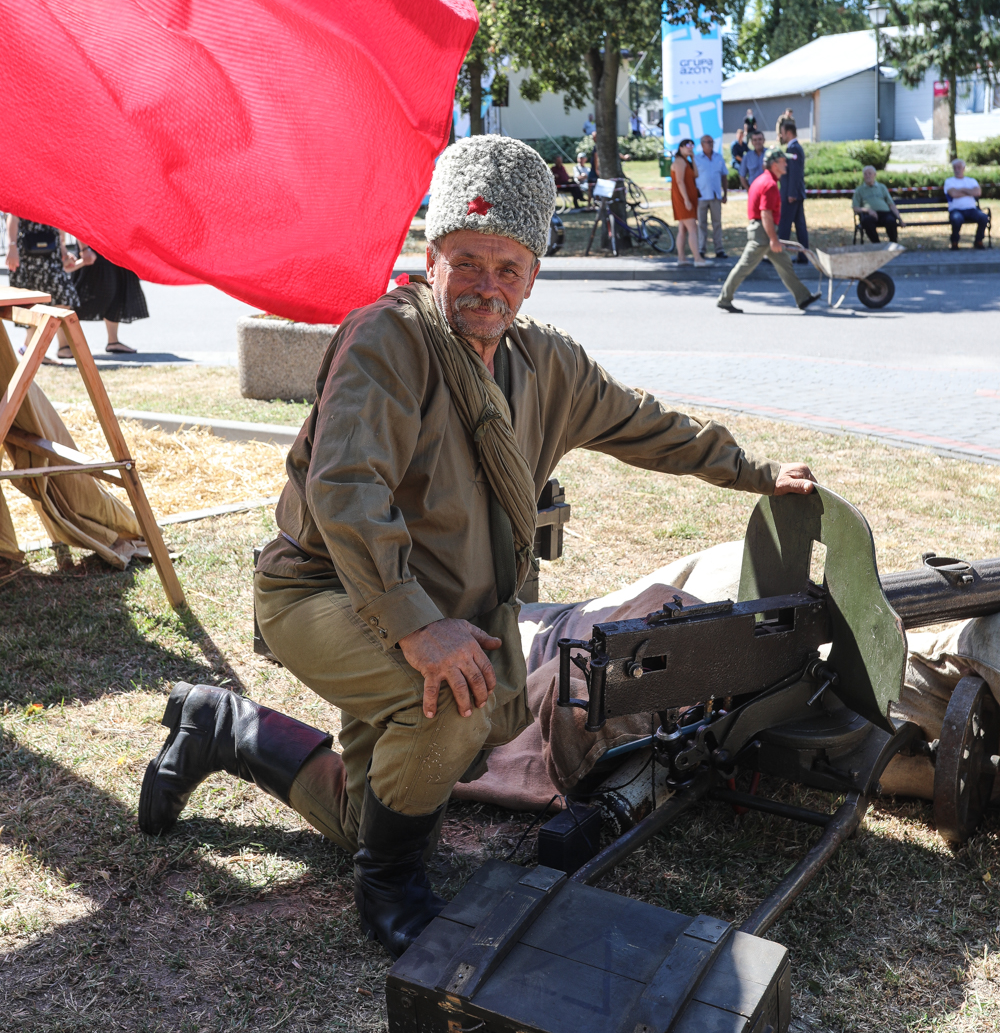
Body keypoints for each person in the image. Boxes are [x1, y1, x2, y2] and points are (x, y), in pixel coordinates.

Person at [137, 136, 817, 959]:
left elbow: (650, 426)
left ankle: (226, 727)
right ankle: (389, 886)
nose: (485, 288)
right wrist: (419, 628)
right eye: (466, 262)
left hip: (436, 609)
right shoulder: (387, 340)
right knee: (452, 707)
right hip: (326, 591)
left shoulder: (549, 366)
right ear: (432, 257)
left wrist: (758, 474)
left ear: (534, 275)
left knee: (375, 805)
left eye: (508, 268)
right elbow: (345, 490)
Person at [717, 148, 820, 313]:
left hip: (762, 229)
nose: (786, 164)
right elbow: (765, 214)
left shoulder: (762, 179)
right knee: (745, 266)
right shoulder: (770, 184)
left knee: (785, 263)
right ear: (774, 164)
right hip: (762, 232)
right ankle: (724, 298)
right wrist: (773, 239)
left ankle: (803, 297)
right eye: (783, 161)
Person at [4, 215, 81, 359]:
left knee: (64, 298)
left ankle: (33, 348)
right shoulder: (23, 193)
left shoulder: (53, 195)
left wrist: (63, 249)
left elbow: (57, 220)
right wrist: (12, 246)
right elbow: (13, 217)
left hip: (51, 251)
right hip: (27, 253)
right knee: (33, 306)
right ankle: (35, 351)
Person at [72, 246, 149, 353]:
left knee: (118, 292)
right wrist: (84, 249)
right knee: (80, 298)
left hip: (115, 249)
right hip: (96, 250)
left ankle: (113, 341)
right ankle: (65, 345)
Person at [777, 117, 810, 263]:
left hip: (792, 195)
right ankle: (803, 255)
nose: (781, 136)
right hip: (795, 194)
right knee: (800, 225)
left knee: (784, 225)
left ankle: (778, 256)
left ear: (789, 133)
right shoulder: (794, 148)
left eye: (782, 133)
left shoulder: (793, 148)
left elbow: (795, 173)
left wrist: (791, 193)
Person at [670, 137, 706, 266]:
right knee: (692, 228)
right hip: (683, 199)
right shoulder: (679, 161)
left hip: (689, 198)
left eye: (691, 145)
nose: (690, 147)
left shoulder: (687, 161)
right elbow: (679, 181)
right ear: (680, 148)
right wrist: (686, 200)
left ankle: (681, 258)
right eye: (687, 145)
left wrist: (693, 158)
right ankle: (697, 258)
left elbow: (696, 174)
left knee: (683, 229)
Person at [693, 134, 729, 259]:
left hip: (715, 196)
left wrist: (725, 193)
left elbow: (724, 176)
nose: (710, 144)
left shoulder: (718, 158)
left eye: (711, 141)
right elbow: (692, 178)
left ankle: (719, 249)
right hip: (701, 196)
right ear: (702, 144)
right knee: (701, 224)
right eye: (707, 142)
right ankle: (701, 249)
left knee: (717, 223)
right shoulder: (696, 159)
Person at [943, 159, 990, 249]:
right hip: (956, 209)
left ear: (963, 168)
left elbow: (977, 192)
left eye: (959, 167)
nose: (957, 169)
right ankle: (954, 242)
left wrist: (960, 189)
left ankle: (978, 241)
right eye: (955, 167)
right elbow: (953, 194)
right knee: (957, 219)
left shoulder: (971, 181)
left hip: (971, 209)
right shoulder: (949, 181)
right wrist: (969, 191)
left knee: (983, 217)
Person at [852, 167, 902, 244]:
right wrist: (868, 210)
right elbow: (855, 207)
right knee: (866, 222)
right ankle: (877, 244)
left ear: (874, 175)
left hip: (884, 213)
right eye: (865, 174)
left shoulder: (882, 187)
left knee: (891, 220)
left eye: (869, 173)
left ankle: (893, 243)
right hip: (869, 214)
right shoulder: (859, 190)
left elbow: (891, 204)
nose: (867, 176)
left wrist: (900, 219)